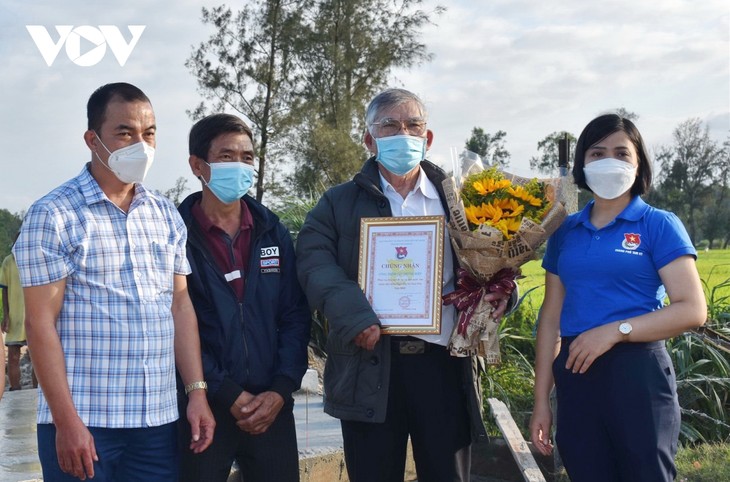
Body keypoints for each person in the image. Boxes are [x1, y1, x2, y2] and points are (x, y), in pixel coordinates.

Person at [296, 88, 511, 482]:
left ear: (427, 139)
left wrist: (501, 295)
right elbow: (314, 264)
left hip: (444, 367)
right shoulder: (338, 204)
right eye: (390, 126)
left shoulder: (461, 201)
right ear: (368, 139)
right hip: (369, 365)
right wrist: (355, 317)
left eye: (413, 125)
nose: (403, 134)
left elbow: (494, 266)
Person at [13, 82, 215, 481]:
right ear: (93, 139)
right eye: (125, 132)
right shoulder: (54, 215)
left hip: (156, 422)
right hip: (86, 422)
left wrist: (197, 393)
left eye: (149, 133)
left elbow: (179, 306)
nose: (140, 144)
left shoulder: (164, 215)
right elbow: (40, 325)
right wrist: (66, 423)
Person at [529, 114, 707, 482]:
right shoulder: (565, 230)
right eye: (597, 153)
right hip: (576, 374)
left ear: (638, 162)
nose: (609, 161)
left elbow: (692, 309)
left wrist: (615, 331)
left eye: (621, 153)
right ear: (582, 163)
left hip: (637, 373)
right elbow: (550, 317)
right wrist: (541, 402)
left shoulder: (658, 224)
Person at [176, 113, 311, 481]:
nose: (239, 165)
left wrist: (281, 390)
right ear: (197, 165)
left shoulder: (272, 232)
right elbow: (174, 321)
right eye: (226, 156)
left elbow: (294, 314)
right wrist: (226, 392)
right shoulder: (174, 235)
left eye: (247, 157)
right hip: (204, 407)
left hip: (272, 409)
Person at [1, 239, 37, 391]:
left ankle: (38, 389)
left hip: (35, 315)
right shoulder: (9, 261)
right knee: (14, 355)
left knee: (37, 356)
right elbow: (4, 289)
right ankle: (15, 388)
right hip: (15, 316)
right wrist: (6, 316)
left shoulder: (36, 260)